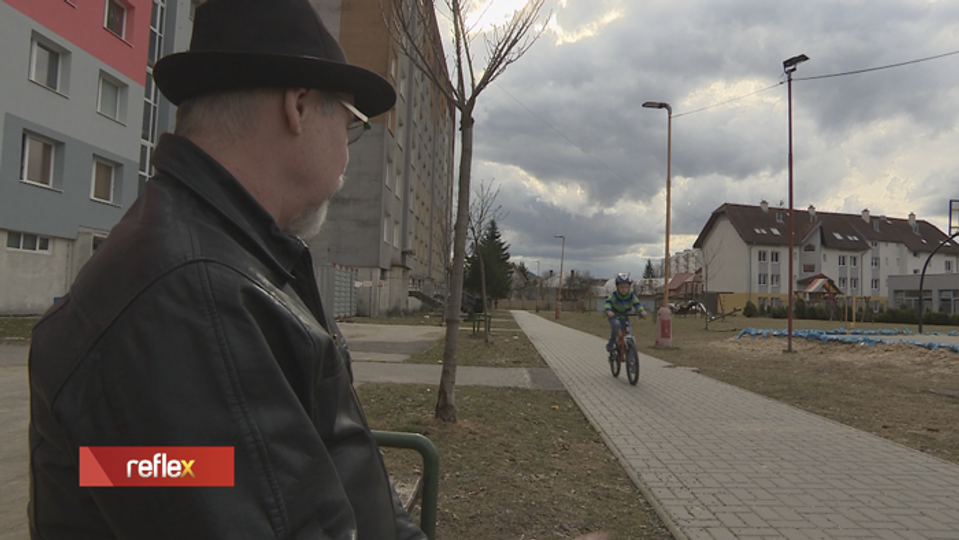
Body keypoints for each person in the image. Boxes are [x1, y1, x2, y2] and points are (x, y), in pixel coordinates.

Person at [27, 0, 423, 538]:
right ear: (298, 106)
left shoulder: (233, 262)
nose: (347, 154)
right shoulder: (186, 298)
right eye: (350, 124)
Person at [604, 273, 647, 352]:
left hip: (626, 317)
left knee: (629, 336)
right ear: (617, 287)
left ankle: (631, 358)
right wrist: (608, 310)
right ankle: (611, 344)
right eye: (621, 287)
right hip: (615, 316)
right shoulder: (615, 295)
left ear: (629, 287)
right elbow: (608, 303)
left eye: (626, 287)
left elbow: (637, 304)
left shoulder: (631, 295)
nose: (624, 289)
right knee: (616, 325)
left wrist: (641, 310)